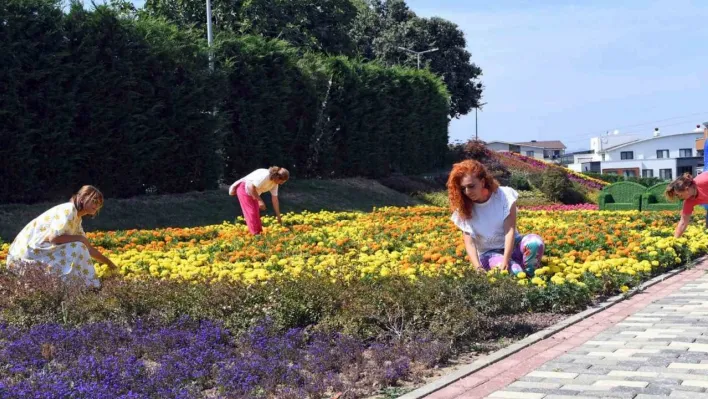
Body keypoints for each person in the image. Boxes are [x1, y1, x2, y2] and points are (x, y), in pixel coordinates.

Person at [6, 185, 118, 287]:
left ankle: (77, 288)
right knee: (78, 246)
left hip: (37, 252)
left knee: (80, 246)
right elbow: (54, 238)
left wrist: (110, 264)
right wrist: (81, 239)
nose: (97, 205)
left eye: (99, 203)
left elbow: (88, 248)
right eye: (94, 201)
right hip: (26, 254)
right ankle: (87, 287)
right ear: (83, 198)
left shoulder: (77, 219)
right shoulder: (68, 209)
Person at [448, 160, 545, 275]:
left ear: (482, 182)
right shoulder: (464, 208)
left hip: (512, 245)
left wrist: (506, 259)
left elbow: (510, 230)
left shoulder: (504, 196)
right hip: (488, 253)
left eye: (471, 186)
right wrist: (478, 268)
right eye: (463, 188)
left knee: (535, 243)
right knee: (514, 272)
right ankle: (519, 271)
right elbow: (469, 244)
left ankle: (531, 276)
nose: (467, 192)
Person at [229, 166, 290, 235]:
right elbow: (251, 186)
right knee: (251, 213)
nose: (281, 183)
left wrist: (278, 216)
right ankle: (255, 235)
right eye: (281, 181)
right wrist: (259, 200)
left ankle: (259, 234)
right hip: (244, 188)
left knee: (256, 213)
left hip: (253, 193)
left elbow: (275, 199)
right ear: (277, 176)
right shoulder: (266, 176)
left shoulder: (275, 183)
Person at [666, 172, 708, 238]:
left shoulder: (703, 180)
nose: (678, 198)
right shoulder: (689, 201)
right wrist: (674, 241)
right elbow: (683, 223)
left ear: (686, 189)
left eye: (678, 195)